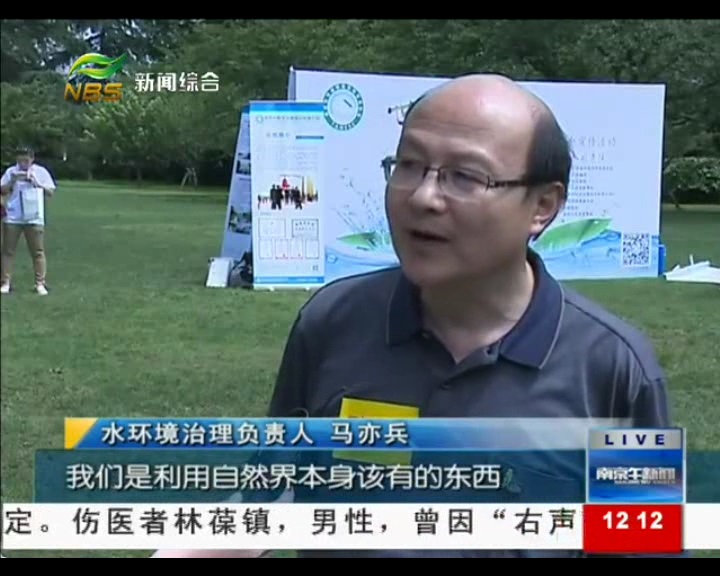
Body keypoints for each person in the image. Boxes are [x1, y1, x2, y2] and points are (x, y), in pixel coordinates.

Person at [153, 74, 678, 558]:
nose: (423, 197)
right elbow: (275, 486)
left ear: (542, 206)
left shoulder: (612, 370)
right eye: (408, 166)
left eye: (465, 177)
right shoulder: (333, 322)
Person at [0, 146, 57, 295]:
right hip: (13, 217)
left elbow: (51, 192)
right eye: (20, 160)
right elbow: (2, 190)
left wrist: (36, 182)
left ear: (32, 159)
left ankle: (40, 283)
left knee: (38, 251)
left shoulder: (41, 172)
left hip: (34, 217)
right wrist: (12, 181)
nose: (22, 164)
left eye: (25, 160)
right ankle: (5, 282)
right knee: (8, 251)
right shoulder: (11, 172)